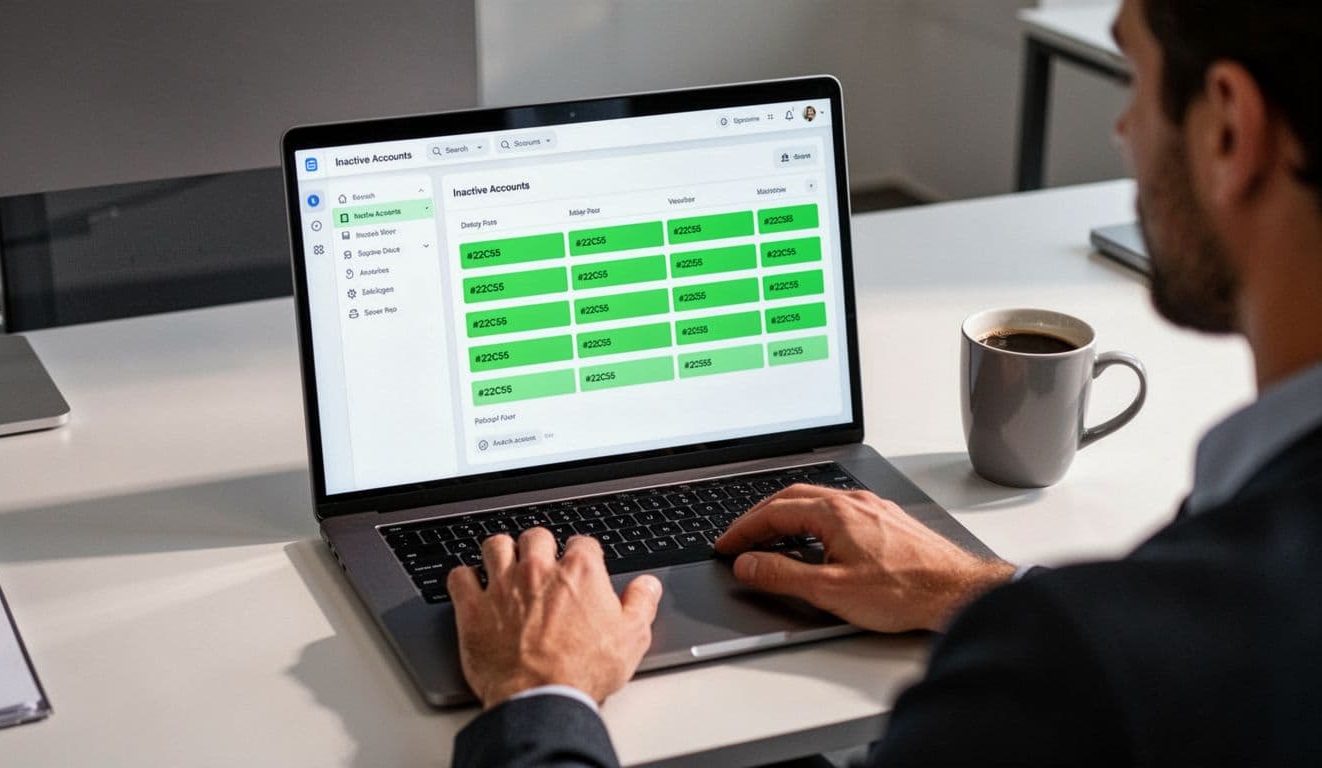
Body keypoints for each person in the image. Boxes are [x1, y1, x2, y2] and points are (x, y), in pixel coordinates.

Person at [446, 0, 1322, 764]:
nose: (1122, 129)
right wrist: (973, 585)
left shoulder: (1063, 678)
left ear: (1228, 128)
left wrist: (539, 694)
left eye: (1134, 77)